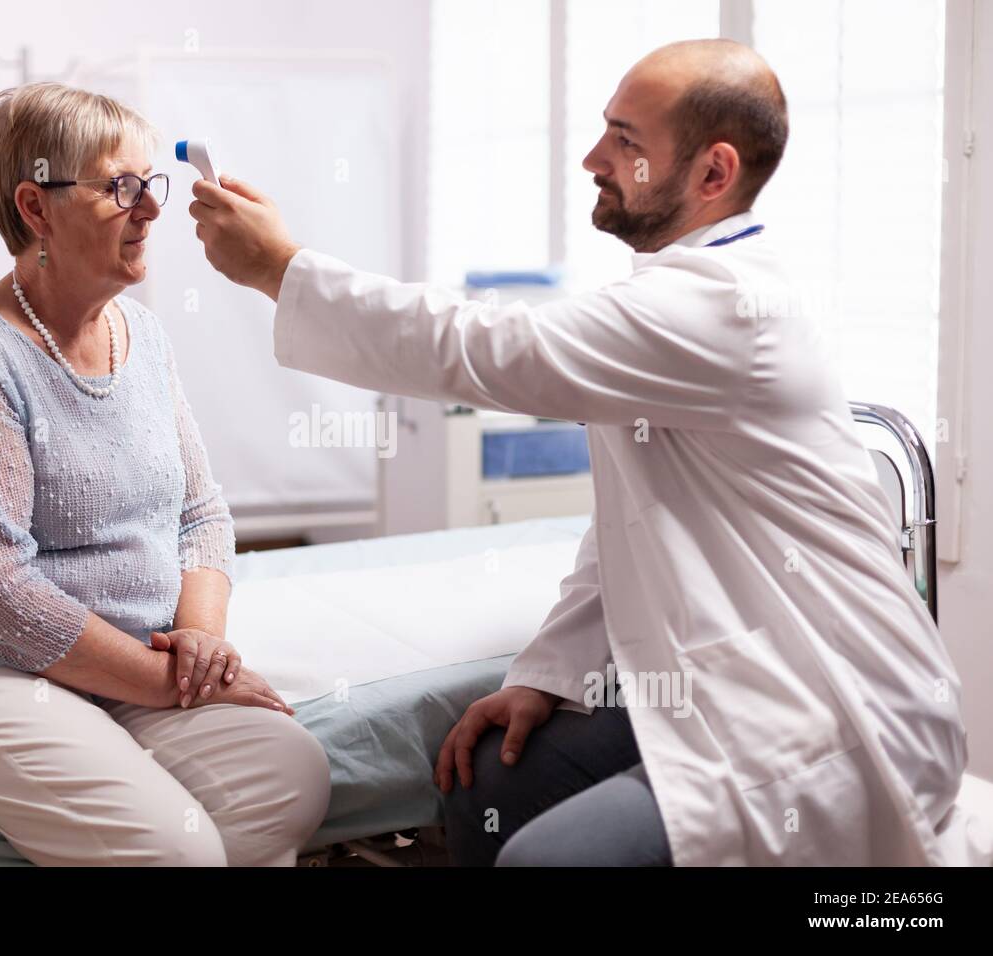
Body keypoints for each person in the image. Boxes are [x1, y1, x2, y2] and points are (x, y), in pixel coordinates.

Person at [186, 39, 971, 865]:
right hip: (721, 690)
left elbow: (487, 344)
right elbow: (631, 530)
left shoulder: (729, 307)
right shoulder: (677, 296)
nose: (594, 158)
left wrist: (281, 268)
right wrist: (544, 672)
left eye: (626, 142)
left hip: (828, 711)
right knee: (484, 779)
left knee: (544, 859)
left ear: (713, 174)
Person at [0, 82, 330, 866]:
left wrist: (200, 648)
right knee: (177, 853)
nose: (150, 210)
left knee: (291, 774)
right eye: (121, 188)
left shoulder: (141, 333)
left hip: (127, 661)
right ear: (35, 208)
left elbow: (201, 514)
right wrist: (167, 683)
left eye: (151, 184)